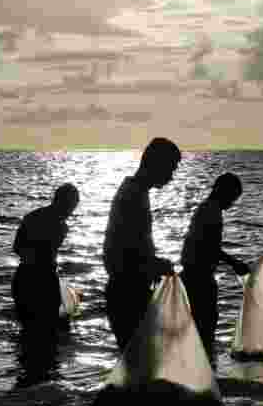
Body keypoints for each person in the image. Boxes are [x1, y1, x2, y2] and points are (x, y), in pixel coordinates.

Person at [102, 137, 182, 350]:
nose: (172, 177)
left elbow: (129, 248)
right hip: (127, 295)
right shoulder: (133, 195)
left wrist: (153, 264)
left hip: (129, 291)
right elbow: (123, 255)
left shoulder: (135, 191)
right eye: (171, 169)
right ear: (157, 164)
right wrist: (155, 265)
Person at [179, 172, 250, 357]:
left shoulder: (205, 208)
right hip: (199, 278)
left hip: (190, 275)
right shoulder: (212, 212)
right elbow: (210, 247)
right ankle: (204, 370)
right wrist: (234, 263)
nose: (232, 203)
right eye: (232, 198)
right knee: (205, 327)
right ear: (222, 190)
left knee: (194, 326)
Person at [12, 183, 80, 333]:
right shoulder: (59, 227)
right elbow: (26, 250)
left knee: (30, 334)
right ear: (60, 202)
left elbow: (17, 247)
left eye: (73, 207)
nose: (71, 212)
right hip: (37, 281)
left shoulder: (34, 217)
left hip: (26, 278)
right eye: (71, 206)